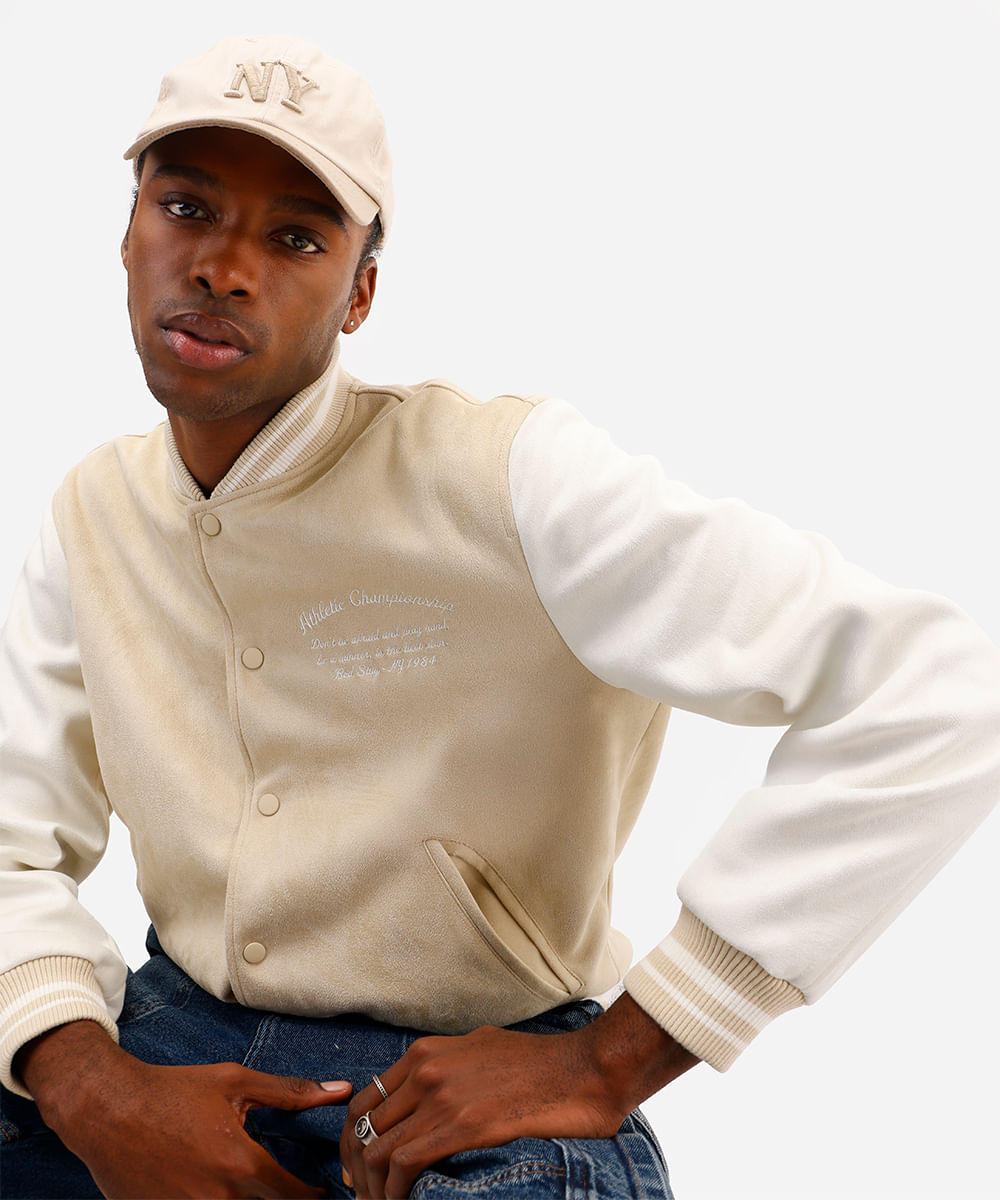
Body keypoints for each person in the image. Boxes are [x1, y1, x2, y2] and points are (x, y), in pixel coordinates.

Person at [1, 31, 997, 1200]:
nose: (222, 267)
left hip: (474, 1087)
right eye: (186, 208)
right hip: (172, 1036)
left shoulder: (510, 479)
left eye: (296, 237)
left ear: (360, 293)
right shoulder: (92, 512)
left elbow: (936, 685)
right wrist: (87, 1082)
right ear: (127, 235)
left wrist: (618, 1054)